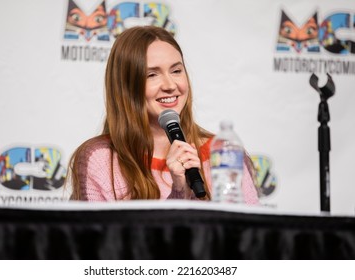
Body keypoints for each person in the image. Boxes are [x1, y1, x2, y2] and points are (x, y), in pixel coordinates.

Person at [66, 25, 259, 203]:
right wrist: (178, 191)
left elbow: (252, 234)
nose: (169, 85)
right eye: (152, 75)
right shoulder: (101, 159)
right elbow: (104, 239)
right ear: (126, 87)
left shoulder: (223, 153)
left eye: (176, 71)